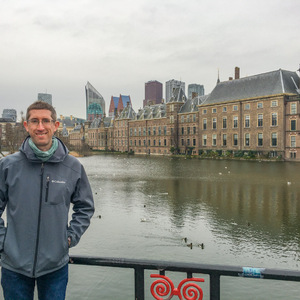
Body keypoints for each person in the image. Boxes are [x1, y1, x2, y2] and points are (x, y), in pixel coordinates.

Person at [0, 101, 95, 300]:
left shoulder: (72, 166)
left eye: (46, 121)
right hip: (14, 267)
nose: (40, 127)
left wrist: (69, 238)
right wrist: (4, 242)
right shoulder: (8, 166)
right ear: (26, 126)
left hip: (55, 267)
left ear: (56, 126)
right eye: (34, 121)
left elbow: (85, 207)